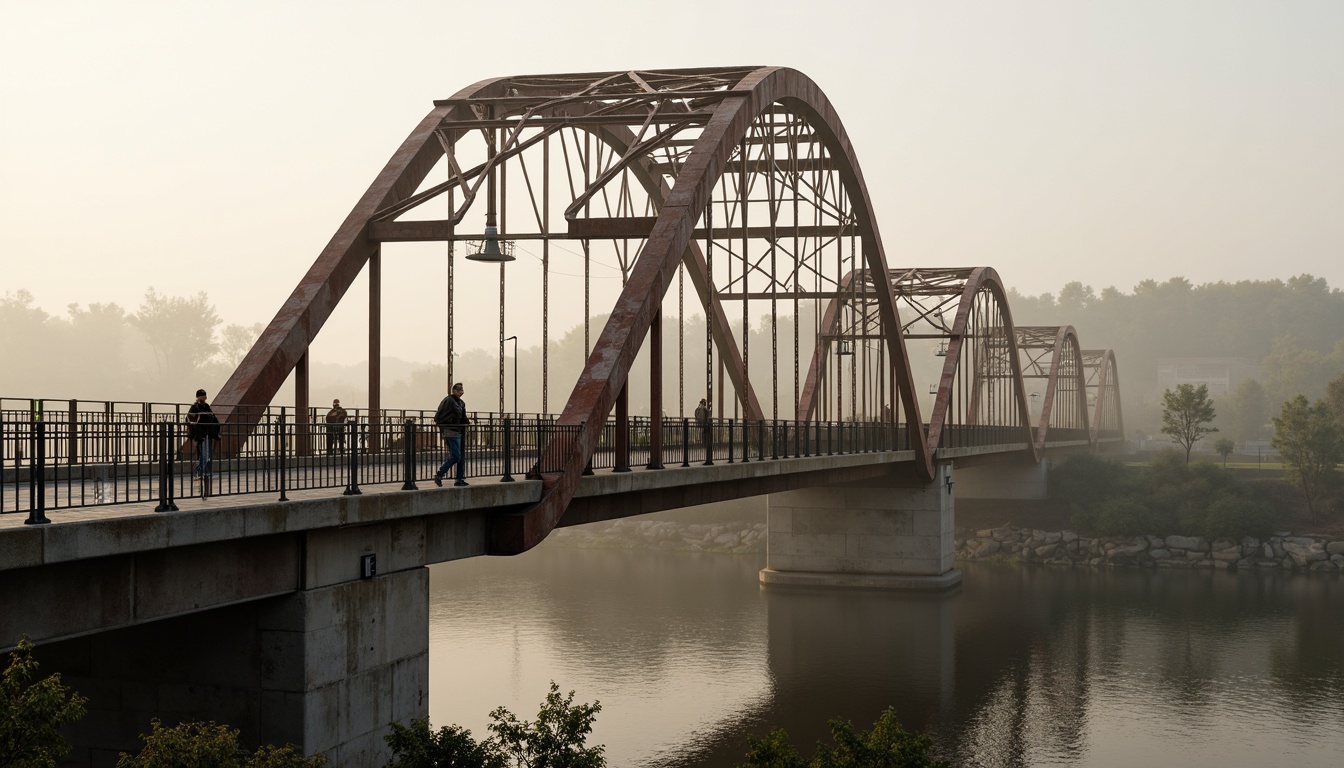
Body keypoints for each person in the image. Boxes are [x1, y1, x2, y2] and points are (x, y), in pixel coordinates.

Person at [433, 383, 469, 487]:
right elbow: (439, 416)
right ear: (453, 390)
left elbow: (462, 416)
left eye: (462, 390)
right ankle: (440, 474)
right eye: (458, 390)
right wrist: (445, 426)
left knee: (460, 456)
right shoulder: (448, 401)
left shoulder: (461, 403)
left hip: (459, 431)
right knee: (456, 456)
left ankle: (459, 479)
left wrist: (466, 423)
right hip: (451, 431)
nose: (460, 392)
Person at [186, 388, 221, 481]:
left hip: (208, 433)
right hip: (200, 435)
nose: (204, 397)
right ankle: (198, 473)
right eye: (202, 395)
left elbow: (212, 416)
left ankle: (205, 473)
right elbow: (190, 417)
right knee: (203, 455)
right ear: (198, 397)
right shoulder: (195, 407)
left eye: (204, 395)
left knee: (208, 455)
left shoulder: (206, 406)